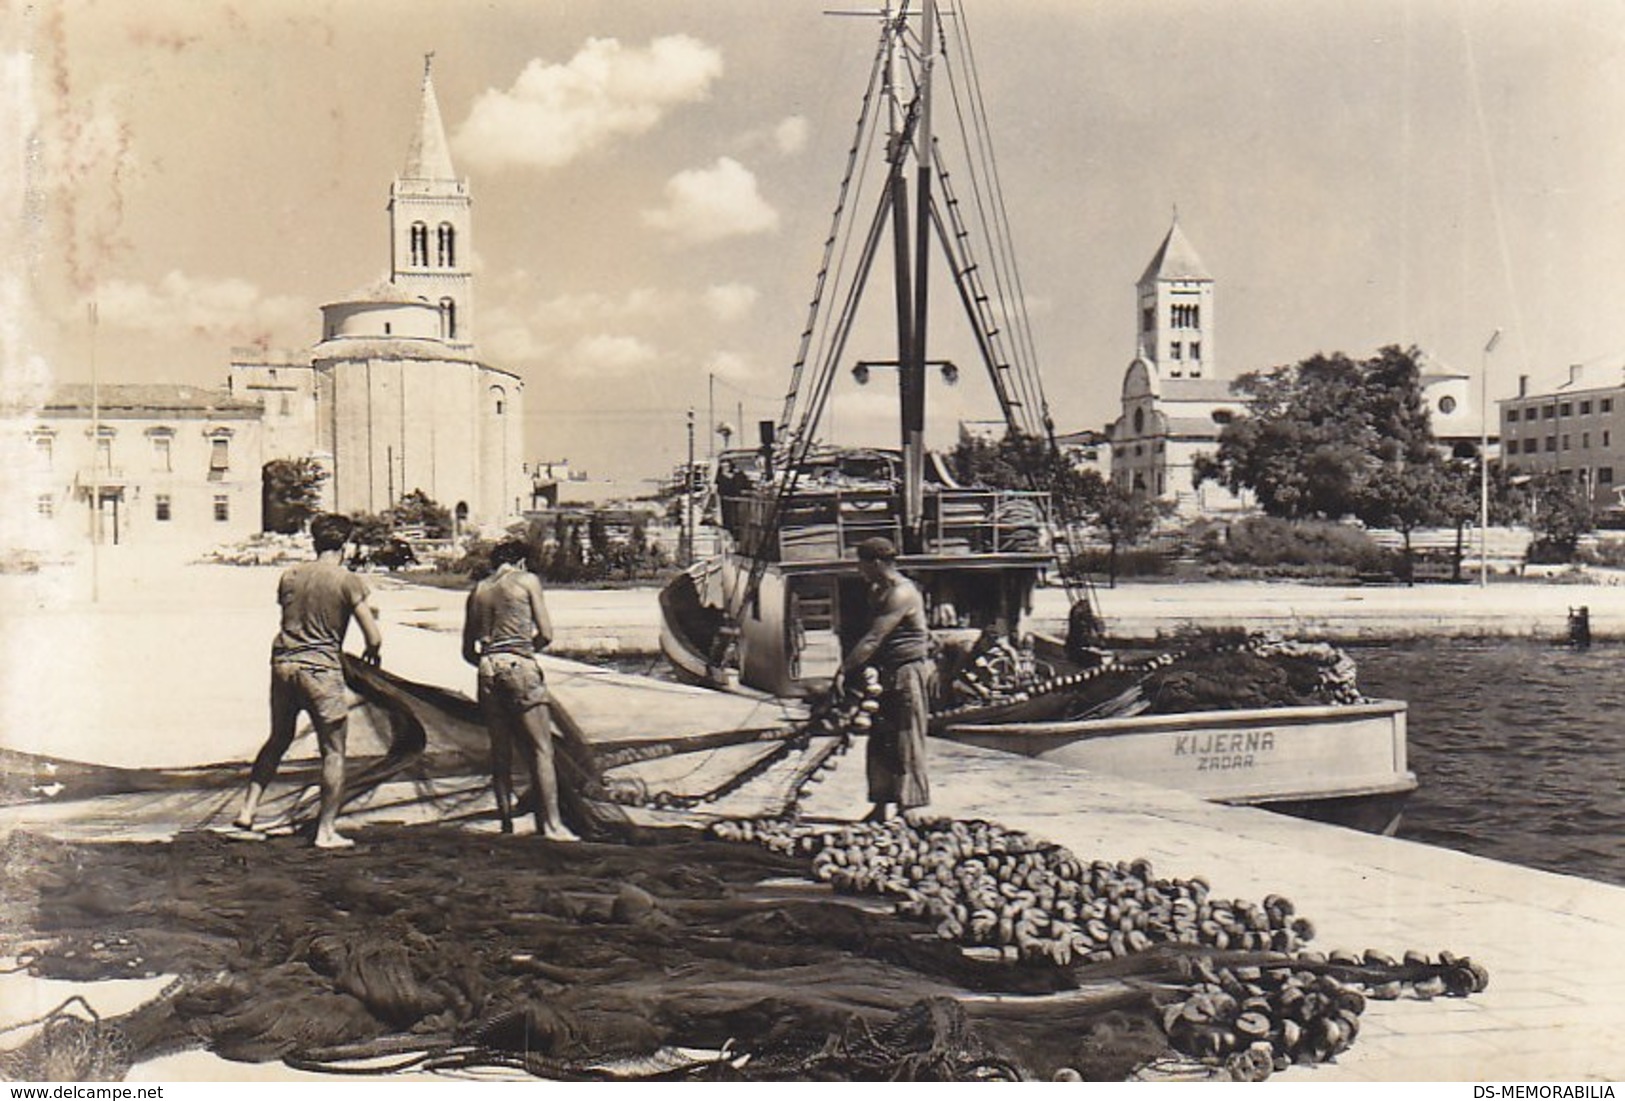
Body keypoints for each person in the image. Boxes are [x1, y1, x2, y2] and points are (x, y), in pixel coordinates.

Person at [235, 512, 383, 849]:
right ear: (345, 544)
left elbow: (293, 616)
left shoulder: (290, 575)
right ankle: (326, 831)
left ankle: (247, 810)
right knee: (333, 751)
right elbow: (373, 636)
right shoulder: (348, 580)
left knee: (278, 738)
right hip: (320, 669)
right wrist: (372, 654)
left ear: (315, 541)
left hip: (284, 664)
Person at [462, 539, 578, 841]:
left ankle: (506, 825)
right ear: (522, 562)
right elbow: (547, 633)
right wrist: (525, 653)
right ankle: (552, 826)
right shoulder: (526, 581)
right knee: (541, 748)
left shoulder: (478, 591)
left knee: (500, 750)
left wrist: (493, 661)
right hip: (519, 665)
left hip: (487, 668)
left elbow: (467, 652)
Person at [835, 536, 932, 823]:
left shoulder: (902, 592)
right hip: (885, 672)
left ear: (876, 562)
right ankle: (880, 804)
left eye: (861, 563)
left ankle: (909, 806)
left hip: (906, 672)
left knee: (906, 737)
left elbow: (873, 638)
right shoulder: (877, 590)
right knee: (879, 739)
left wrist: (844, 670)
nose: (859, 570)